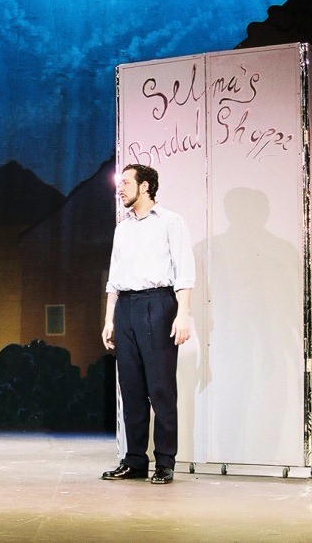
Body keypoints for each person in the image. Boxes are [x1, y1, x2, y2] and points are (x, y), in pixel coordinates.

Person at [101, 164, 195, 484]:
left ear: (145, 186)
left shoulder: (170, 222)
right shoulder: (123, 228)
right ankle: (135, 460)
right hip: (126, 307)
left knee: (161, 388)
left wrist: (183, 314)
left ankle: (165, 461)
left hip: (158, 303)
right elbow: (114, 277)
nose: (120, 188)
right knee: (131, 389)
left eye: (126, 183)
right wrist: (109, 319)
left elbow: (184, 272)